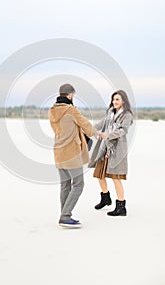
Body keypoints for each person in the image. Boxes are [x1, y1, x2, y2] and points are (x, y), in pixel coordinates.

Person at [49, 83, 98, 228]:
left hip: (58, 151)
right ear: (70, 95)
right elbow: (85, 124)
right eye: (73, 96)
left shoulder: (52, 111)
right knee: (78, 184)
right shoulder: (71, 110)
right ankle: (65, 216)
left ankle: (63, 215)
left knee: (65, 185)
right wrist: (97, 133)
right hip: (71, 152)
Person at [89, 90, 133, 216]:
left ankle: (121, 207)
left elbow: (122, 131)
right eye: (113, 99)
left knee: (115, 178)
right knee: (99, 174)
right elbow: (101, 124)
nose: (114, 102)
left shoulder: (127, 115)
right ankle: (105, 198)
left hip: (117, 150)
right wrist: (88, 129)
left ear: (123, 101)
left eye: (117, 99)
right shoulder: (110, 113)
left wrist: (108, 135)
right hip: (105, 148)